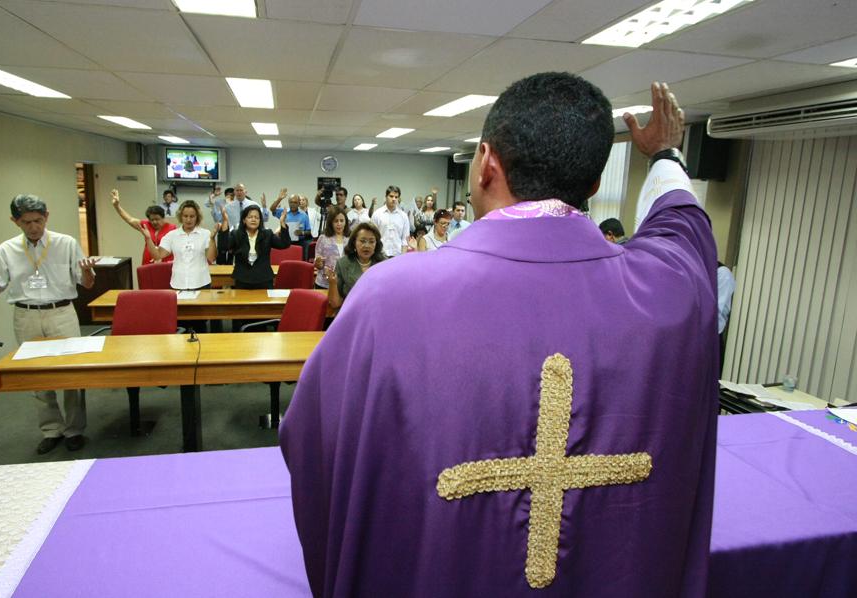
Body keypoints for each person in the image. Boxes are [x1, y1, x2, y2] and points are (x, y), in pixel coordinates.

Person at [280, 75, 719, 597]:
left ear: (486, 161)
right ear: (594, 185)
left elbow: (312, 441)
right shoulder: (667, 292)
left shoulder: (390, 296)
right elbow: (683, 231)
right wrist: (667, 154)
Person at [0, 194, 98, 454]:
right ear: (15, 221)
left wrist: (89, 269)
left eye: (38, 220)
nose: (34, 227)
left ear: (46, 217)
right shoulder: (7, 249)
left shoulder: (65, 243)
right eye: (26, 222)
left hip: (61, 312)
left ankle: (74, 429)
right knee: (36, 375)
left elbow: (87, 283)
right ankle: (51, 429)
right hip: (26, 315)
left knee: (73, 372)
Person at [142, 200, 227, 290]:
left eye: (192, 216)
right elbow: (157, 256)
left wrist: (213, 239)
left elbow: (211, 257)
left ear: (197, 217)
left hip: (201, 282)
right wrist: (148, 239)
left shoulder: (205, 233)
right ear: (180, 217)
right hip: (178, 283)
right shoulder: (172, 235)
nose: (188, 220)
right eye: (185, 216)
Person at [324, 222, 386, 309]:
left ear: (376, 244)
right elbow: (335, 303)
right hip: (352, 313)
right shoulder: (343, 264)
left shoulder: (384, 264)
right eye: (362, 241)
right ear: (354, 242)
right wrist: (332, 283)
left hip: (376, 313)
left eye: (371, 241)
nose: (367, 246)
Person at [229, 204, 290, 289]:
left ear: (260, 220)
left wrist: (282, 223)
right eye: (250, 217)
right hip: (242, 279)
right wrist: (223, 230)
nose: (253, 219)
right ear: (244, 220)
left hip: (264, 279)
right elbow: (223, 247)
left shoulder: (267, 234)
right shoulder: (236, 234)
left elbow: (284, 244)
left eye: (257, 217)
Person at [110, 189, 176, 265]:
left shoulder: (171, 228)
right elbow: (130, 219)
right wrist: (117, 206)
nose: (154, 222)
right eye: (152, 219)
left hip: (165, 262)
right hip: (147, 262)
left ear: (163, 218)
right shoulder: (146, 225)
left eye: (157, 219)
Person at [312, 207, 350, 289]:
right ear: (330, 223)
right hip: (324, 283)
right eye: (336, 221)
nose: (339, 224)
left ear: (346, 222)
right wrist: (318, 263)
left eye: (342, 221)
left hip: (345, 284)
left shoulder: (350, 239)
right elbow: (317, 262)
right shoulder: (323, 238)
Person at [370, 185, 409, 257]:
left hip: (398, 255)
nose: (394, 199)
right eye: (391, 196)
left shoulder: (403, 216)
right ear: (386, 197)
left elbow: (405, 239)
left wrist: (403, 257)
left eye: (396, 197)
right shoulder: (377, 214)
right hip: (380, 255)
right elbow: (372, 236)